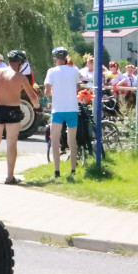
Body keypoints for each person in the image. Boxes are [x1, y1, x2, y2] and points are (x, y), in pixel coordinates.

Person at [0, 49, 39, 184]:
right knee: (11, 143)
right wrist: (37, 107)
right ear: (20, 63)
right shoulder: (20, 77)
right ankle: (9, 176)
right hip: (13, 110)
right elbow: (32, 95)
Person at [44, 47, 81, 179]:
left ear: (55, 59)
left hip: (58, 109)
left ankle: (57, 172)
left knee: (54, 141)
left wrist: (54, 93)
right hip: (72, 109)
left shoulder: (51, 71)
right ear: (66, 58)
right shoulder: (74, 71)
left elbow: (47, 91)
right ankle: (72, 170)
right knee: (72, 142)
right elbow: (78, 87)